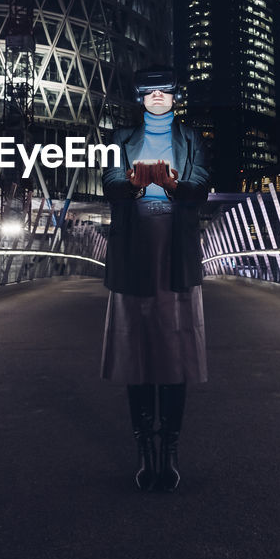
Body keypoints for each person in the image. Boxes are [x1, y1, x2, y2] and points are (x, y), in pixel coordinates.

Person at [100, 65, 210, 492]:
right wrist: (129, 186)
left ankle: (170, 450)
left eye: (165, 90)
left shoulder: (191, 139)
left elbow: (200, 182)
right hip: (134, 251)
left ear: (175, 95)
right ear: (140, 97)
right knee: (137, 351)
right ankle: (146, 451)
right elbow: (110, 179)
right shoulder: (120, 140)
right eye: (150, 91)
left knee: (176, 351)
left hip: (175, 254)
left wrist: (174, 184)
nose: (158, 96)